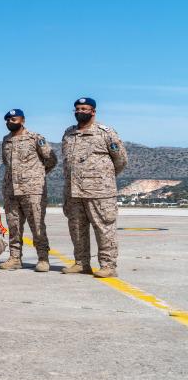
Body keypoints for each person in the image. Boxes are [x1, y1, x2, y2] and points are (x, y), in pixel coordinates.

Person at [61, 97, 127, 278]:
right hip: (73, 191)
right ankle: (81, 263)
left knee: (104, 228)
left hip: (100, 191)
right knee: (76, 228)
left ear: (93, 111)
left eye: (84, 108)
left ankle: (108, 265)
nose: (79, 111)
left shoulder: (105, 132)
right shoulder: (68, 133)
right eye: (77, 108)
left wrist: (102, 178)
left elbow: (120, 160)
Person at [0, 109, 58, 272]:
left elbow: (51, 159)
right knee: (14, 226)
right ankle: (15, 258)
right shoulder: (6, 140)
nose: (10, 121)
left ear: (22, 120)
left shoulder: (35, 138)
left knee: (37, 226)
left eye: (14, 118)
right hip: (11, 191)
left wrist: (37, 175)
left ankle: (43, 258)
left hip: (32, 190)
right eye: (8, 119)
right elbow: (7, 163)